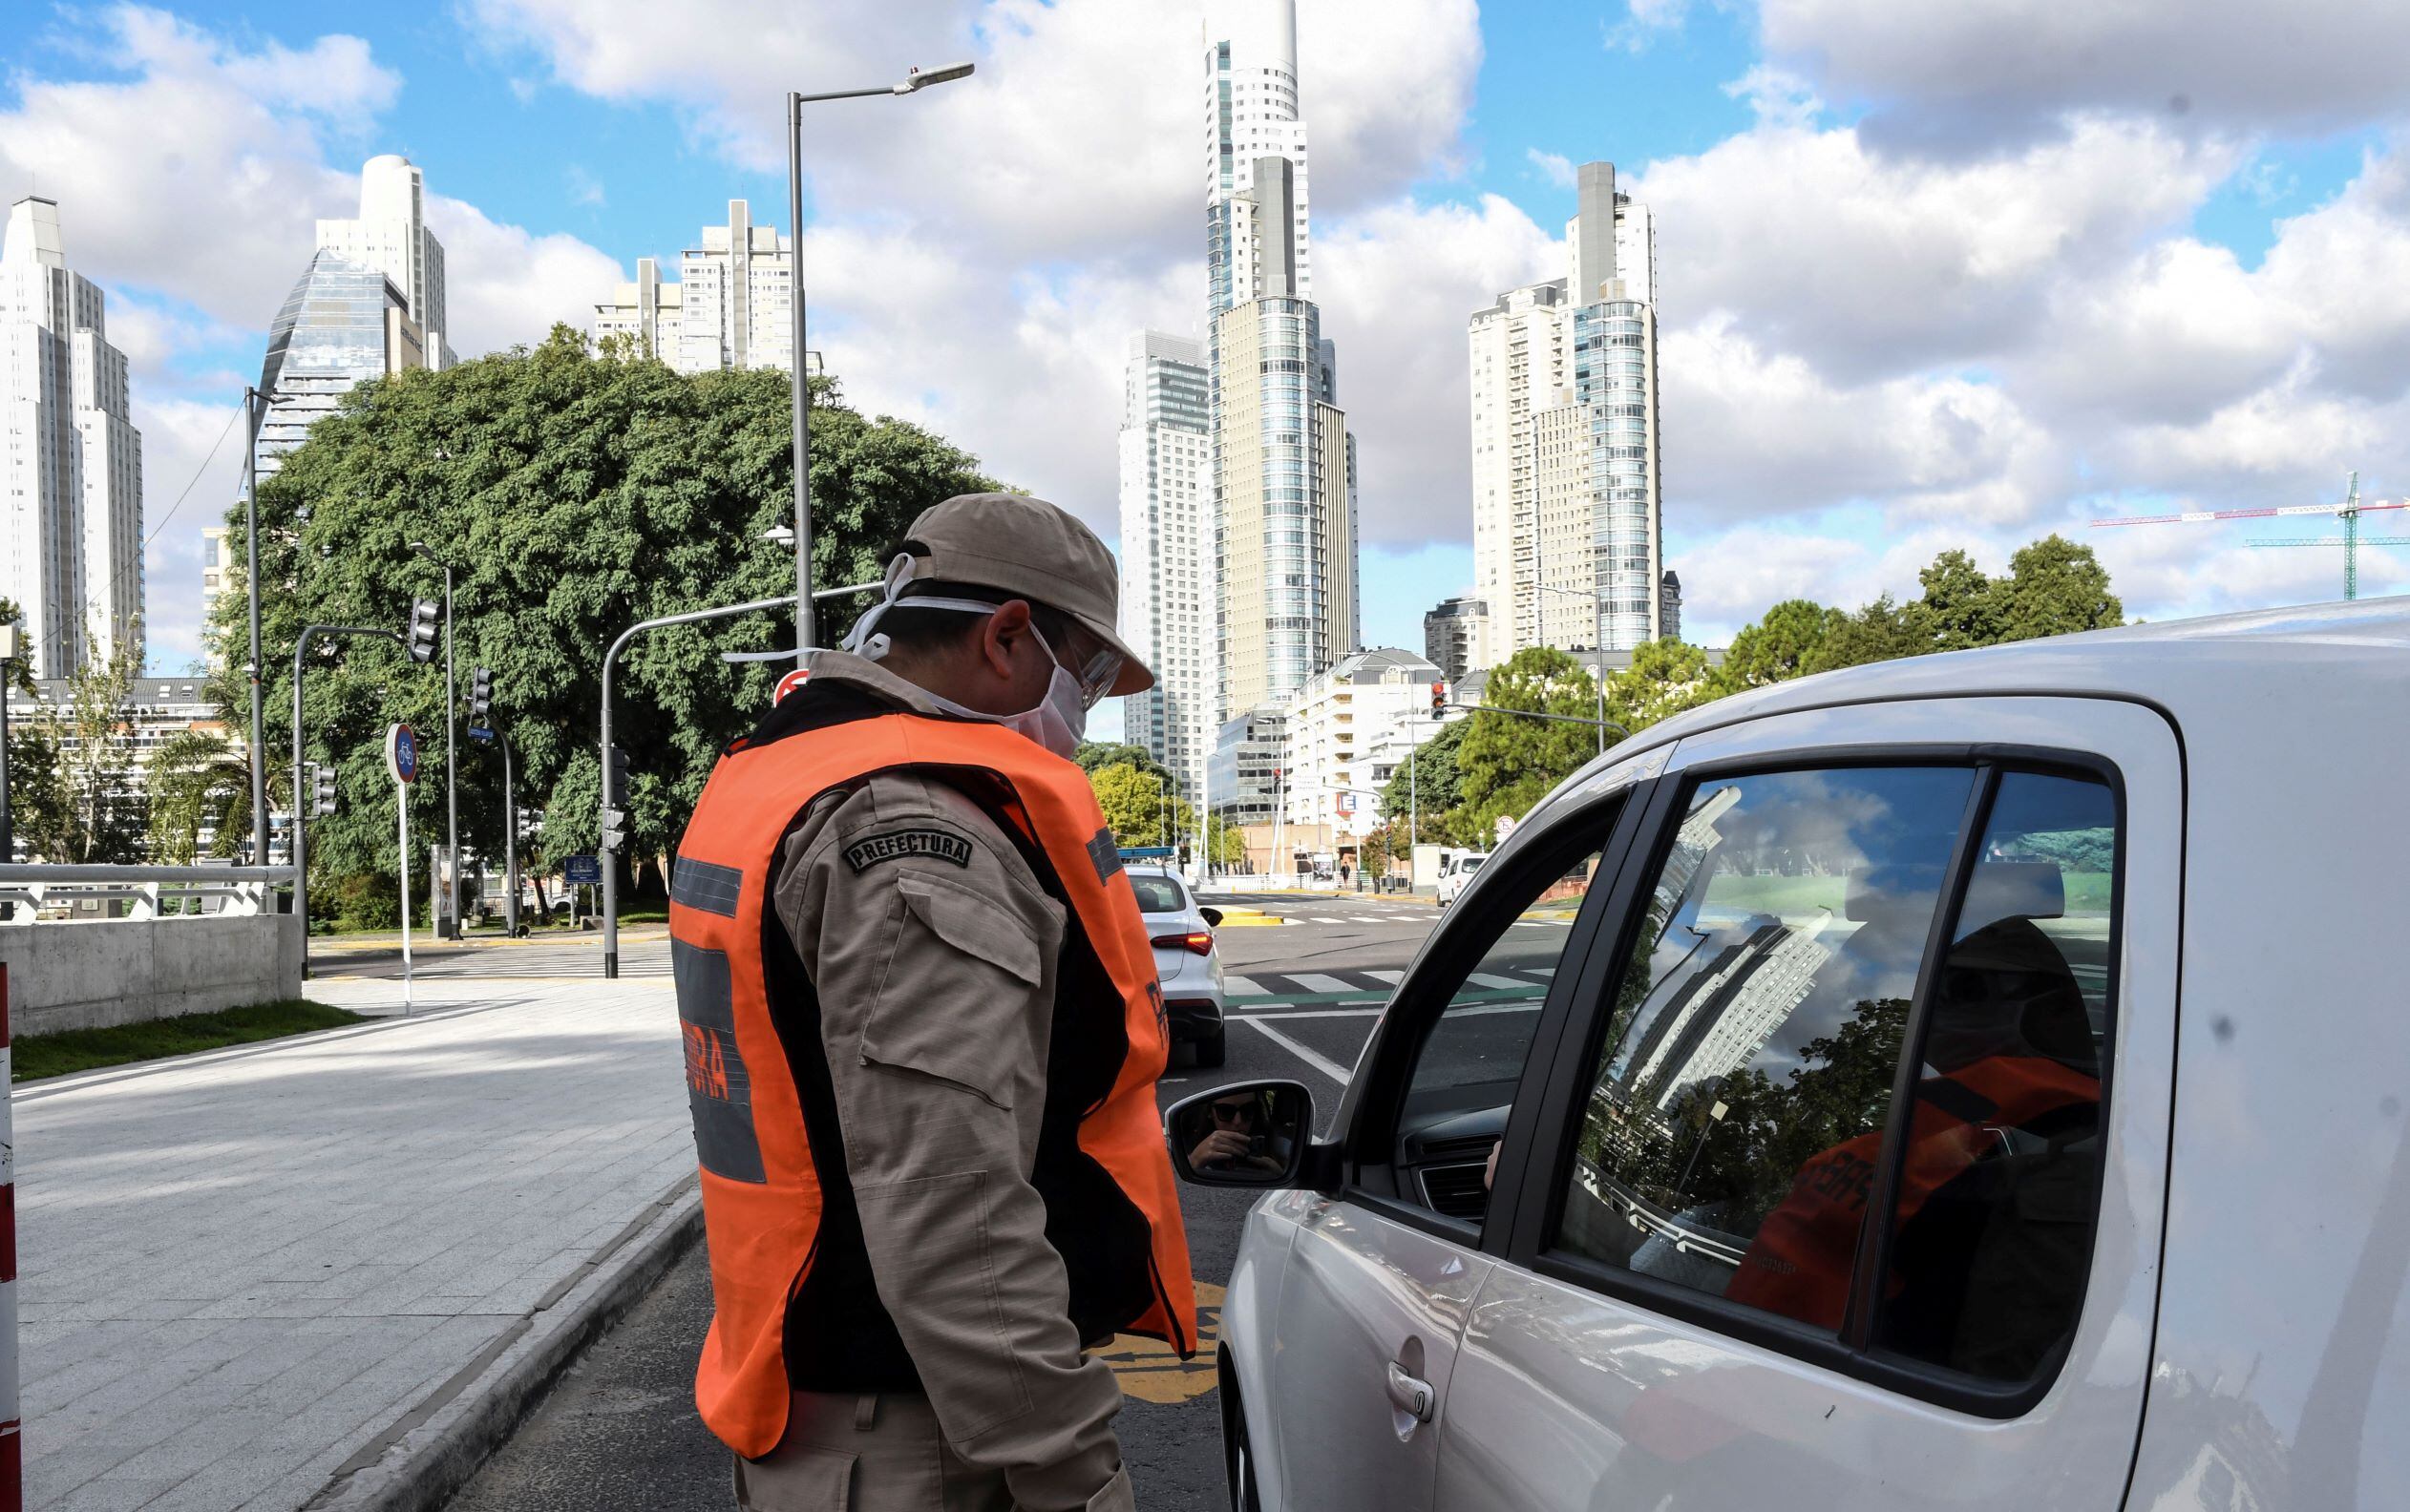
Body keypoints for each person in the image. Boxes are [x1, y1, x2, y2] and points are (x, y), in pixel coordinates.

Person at [668, 494, 1196, 1511]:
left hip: (848, 1413)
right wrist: (1075, 1476)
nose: (1084, 705)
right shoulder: (912, 830)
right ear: (1006, 637)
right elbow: (954, 1216)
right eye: (1084, 671)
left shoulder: (788, 773)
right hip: (927, 1444)